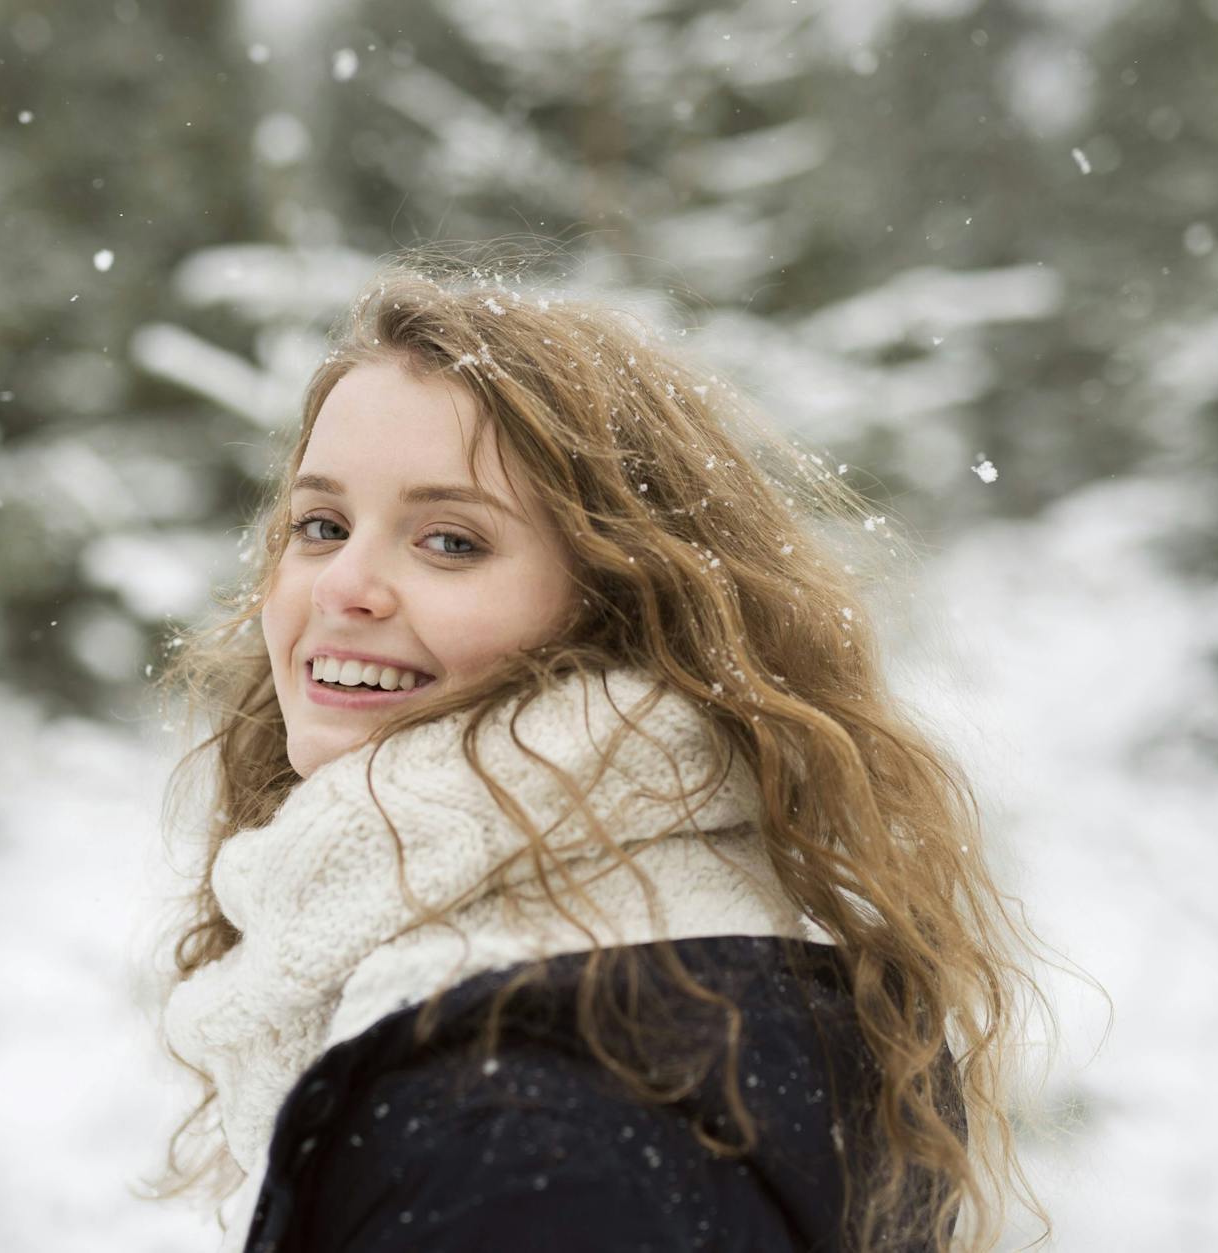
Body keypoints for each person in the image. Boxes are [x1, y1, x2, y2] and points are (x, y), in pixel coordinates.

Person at [152, 253, 1048, 1253]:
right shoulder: (673, 964)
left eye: (449, 541)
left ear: (620, 600)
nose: (342, 585)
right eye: (320, 524)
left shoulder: (530, 1114)